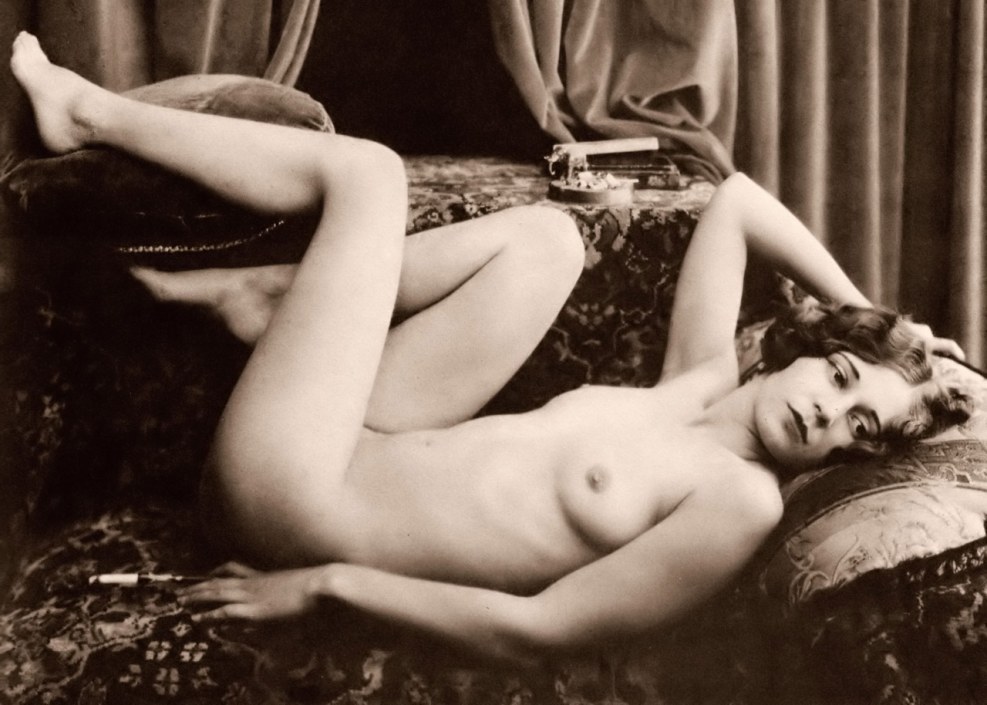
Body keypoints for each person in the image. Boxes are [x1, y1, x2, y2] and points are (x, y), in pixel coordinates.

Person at [10, 31, 974, 663]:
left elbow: (540, 627)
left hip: (299, 505)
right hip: (358, 442)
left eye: (857, 427)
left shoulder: (739, 499)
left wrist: (325, 585)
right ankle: (271, 296)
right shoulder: (699, 380)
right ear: (812, 348)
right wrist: (882, 324)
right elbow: (738, 202)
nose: (827, 410)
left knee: (370, 178)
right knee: (549, 240)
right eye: (840, 377)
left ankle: (86, 111)